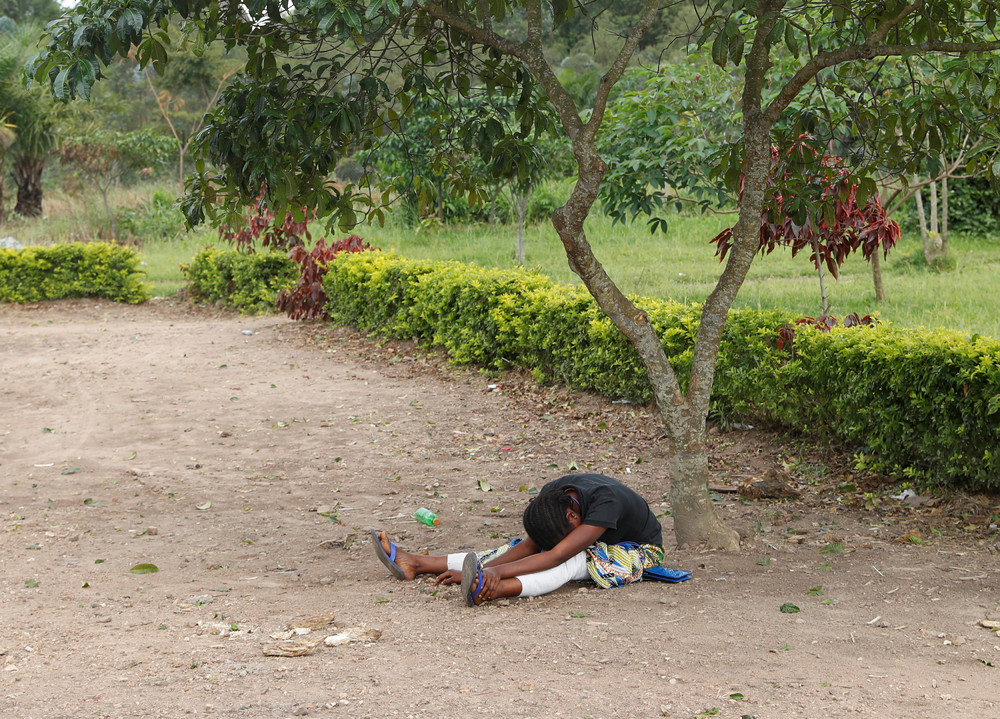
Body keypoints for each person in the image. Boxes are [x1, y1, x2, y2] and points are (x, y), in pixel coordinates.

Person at [371, 472, 689, 606]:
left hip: (640, 551)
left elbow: (554, 556)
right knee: (516, 547)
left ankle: (495, 591)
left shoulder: (606, 503)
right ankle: (417, 562)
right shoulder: (555, 497)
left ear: (574, 518)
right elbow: (532, 546)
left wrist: (494, 575)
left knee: (579, 559)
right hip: (589, 540)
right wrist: (488, 566)